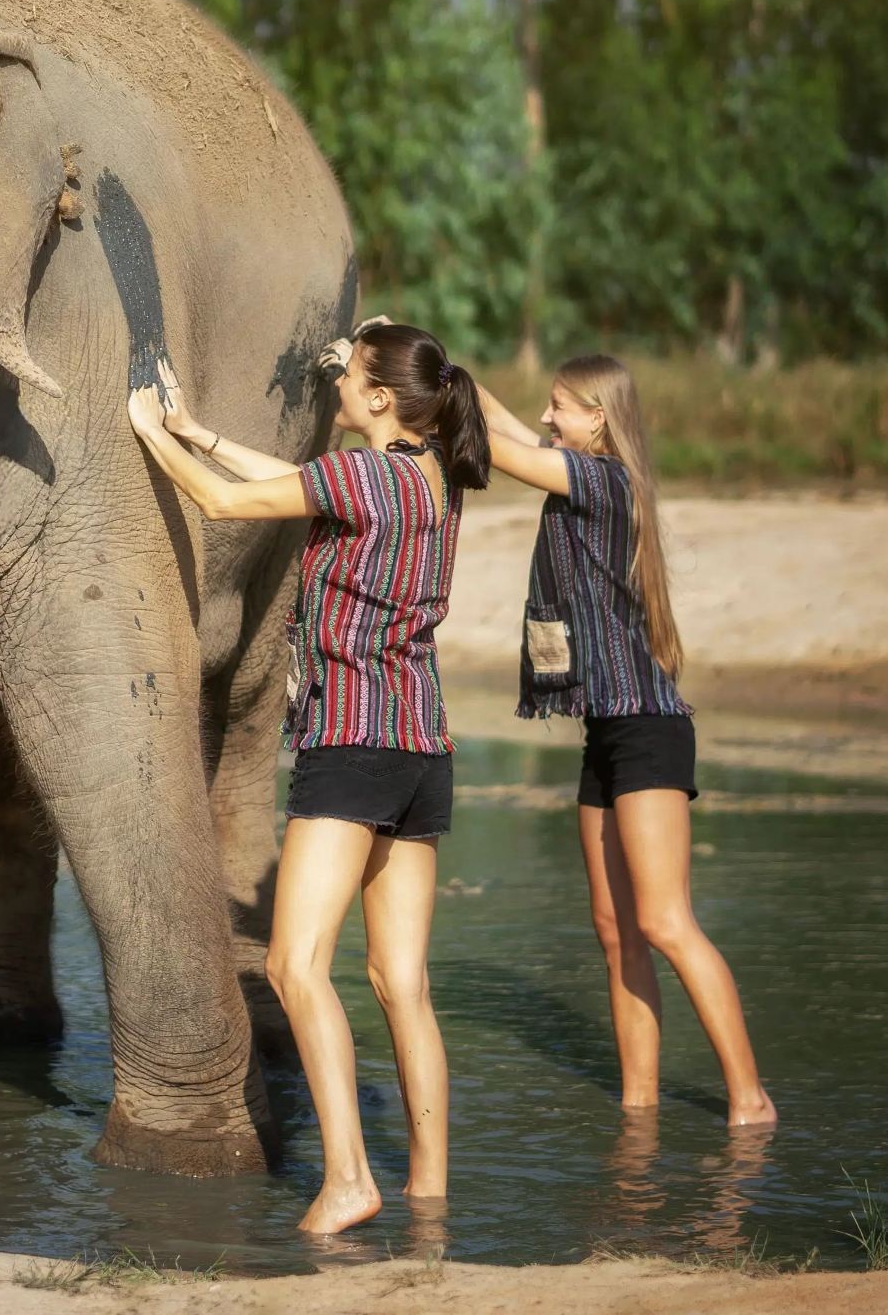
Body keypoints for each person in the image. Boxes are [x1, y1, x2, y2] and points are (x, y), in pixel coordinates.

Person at [127, 323, 490, 1234]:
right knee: (402, 982)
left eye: (350, 380)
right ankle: (430, 1191)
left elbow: (219, 504)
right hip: (421, 748)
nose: (336, 391)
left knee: (294, 967)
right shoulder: (436, 478)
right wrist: (199, 429)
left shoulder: (365, 477)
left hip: (353, 744)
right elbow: (288, 483)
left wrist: (147, 430)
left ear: (376, 396)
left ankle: (347, 1180)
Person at [475, 354, 775, 1129]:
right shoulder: (574, 468)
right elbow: (507, 428)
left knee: (665, 921)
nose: (546, 418)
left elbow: (503, 450)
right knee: (614, 931)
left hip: (647, 729)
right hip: (605, 730)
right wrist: (449, 368)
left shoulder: (606, 483)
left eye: (560, 408)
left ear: (599, 419)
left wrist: (431, 383)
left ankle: (750, 1100)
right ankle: (639, 1111)